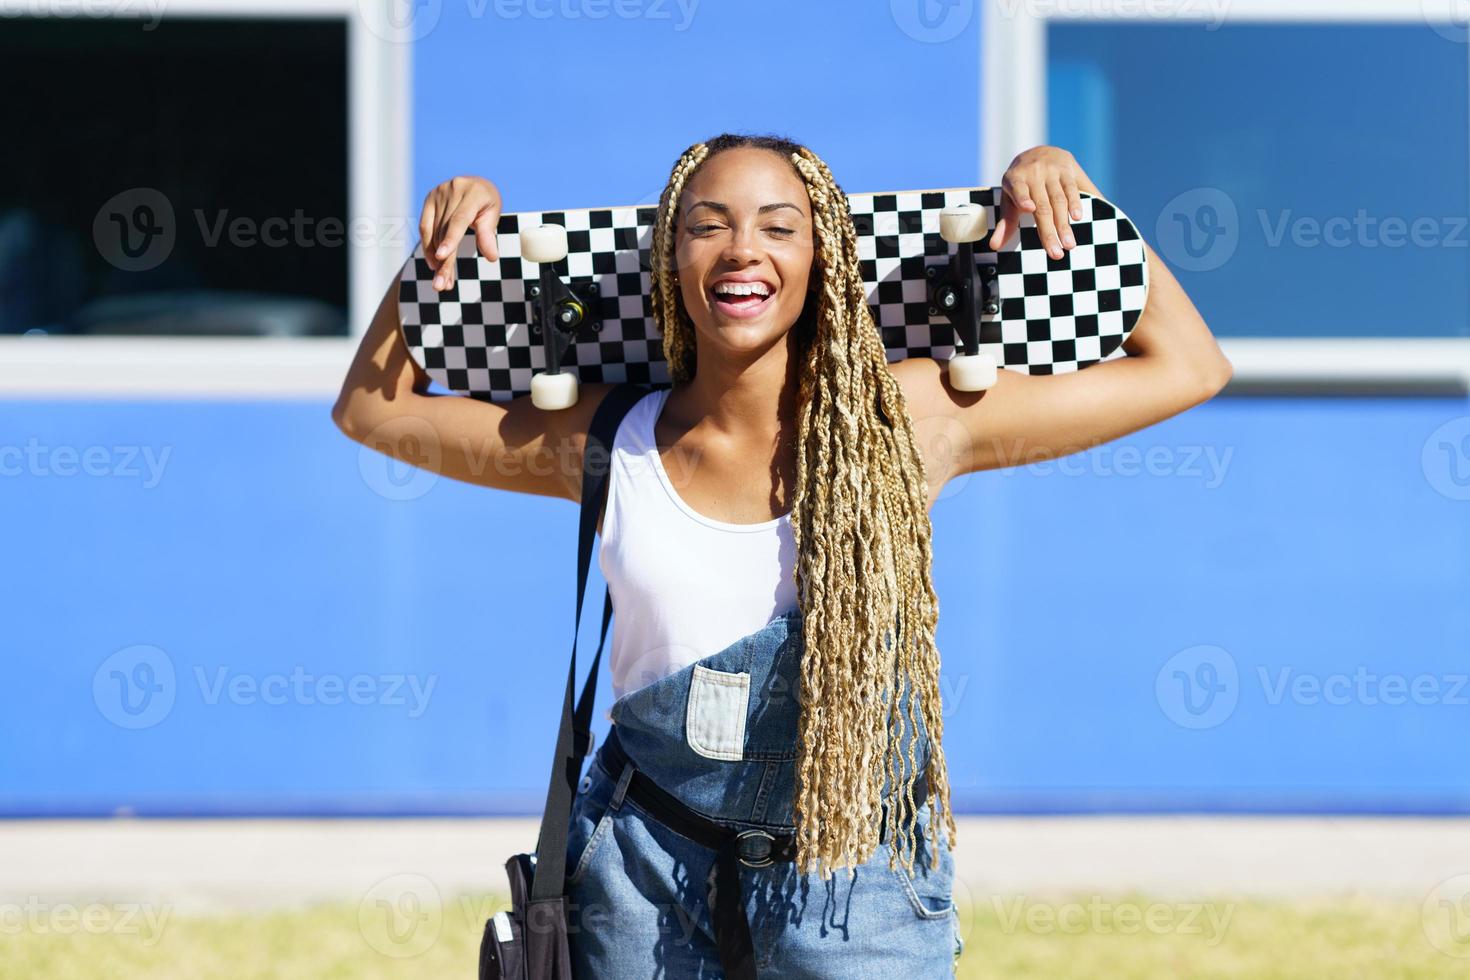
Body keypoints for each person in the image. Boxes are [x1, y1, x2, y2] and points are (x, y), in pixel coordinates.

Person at [332, 133, 1232, 977]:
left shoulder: (912, 423)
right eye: (707, 225)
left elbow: (1187, 366)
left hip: (856, 876)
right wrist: (439, 257)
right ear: (668, 261)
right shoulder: (605, 440)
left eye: (778, 226)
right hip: (644, 870)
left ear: (824, 259)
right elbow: (372, 409)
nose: (740, 249)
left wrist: (1074, 201)